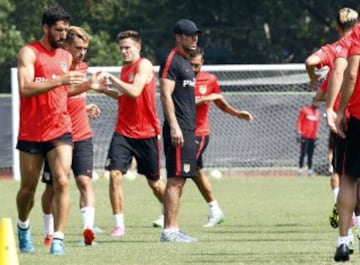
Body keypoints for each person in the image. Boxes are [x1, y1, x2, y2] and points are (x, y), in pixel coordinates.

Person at [15, 6, 86, 255]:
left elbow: (64, 91)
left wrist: (88, 86)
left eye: (66, 30)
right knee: (28, 190)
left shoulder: (66, 56)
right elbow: (25, 88)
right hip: (32, 131)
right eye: (58, 30)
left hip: (60, 128)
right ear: (46, 28)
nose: (63, 34)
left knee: (63, 181)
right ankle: (23, 227)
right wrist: (61, 81)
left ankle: (58, 238)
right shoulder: (29, 52)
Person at [97, 30, 165, 236]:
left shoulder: (143, 65)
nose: (124, 51)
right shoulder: (125, 69)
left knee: (154, 182)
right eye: (121, 48)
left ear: (138, 47)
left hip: (146, 132)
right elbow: (122, 96)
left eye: (127, 47)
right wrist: (102, 90)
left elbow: (135, 92)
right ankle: (119, 225)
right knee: (115, 174)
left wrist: (111, 78)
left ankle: (170, 210)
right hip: (123, 131)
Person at [41, 26, 102, 247]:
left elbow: (74, 99)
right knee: (52, 186)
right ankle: (49, 231)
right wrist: (87, 86)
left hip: (82, 134)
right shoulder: (57, 68)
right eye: (78, 48)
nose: (82, 52)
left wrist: (85, 109)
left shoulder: (84, 67)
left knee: (85, 181)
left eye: (85, 48)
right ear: (66, 46)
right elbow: (58, 96)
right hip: (58, 137)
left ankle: (88, 231)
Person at [305, 9, 358, 234]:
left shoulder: (336, 49)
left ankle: (341, 209)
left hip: (341, 119)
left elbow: (311, 62)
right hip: (353, 115)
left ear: (337, 27)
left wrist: (313, 79)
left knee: (342, 172)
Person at [188, 47, 253, 227]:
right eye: (190, 65)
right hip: (181, 131)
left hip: (199, 133)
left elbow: (220, 102)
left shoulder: (209, 79)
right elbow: (184, 104)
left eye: (197, 65)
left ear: (202, 63)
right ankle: (216, 211)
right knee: (195, 173)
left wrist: (236, 113)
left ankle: (166, 214)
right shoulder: (180, 78)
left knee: (181, 172)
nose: (193, 69)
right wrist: (207, 97)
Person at [158, 19, 200, 243]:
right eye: (189, 35)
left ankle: (174, 228)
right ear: (178, 37)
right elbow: (165, 94)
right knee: (175, 179)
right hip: (179, 128)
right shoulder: (172, 60)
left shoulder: (186, 62)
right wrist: (174, 125)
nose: (194, 38)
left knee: (181, 179)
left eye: (196, 35)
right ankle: (169, 231)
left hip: (188, 128)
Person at [333, 18, 360, 262]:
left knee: (349, 178)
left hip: (359, 116)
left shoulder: (358, 33)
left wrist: (341, 111)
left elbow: (350, 74)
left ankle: (343, 241)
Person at [295, 97, 321, 176]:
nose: (317, 104)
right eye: (316, 102)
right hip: (304, 135)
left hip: (312, 137)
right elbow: (299, 121)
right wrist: (299, 131)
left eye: (318, 102)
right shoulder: (305, 110)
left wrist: (317, 135)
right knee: (303, 153)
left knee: (311, 154)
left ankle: (310, 170)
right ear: (312, 101)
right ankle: (300, 169)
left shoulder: (317, 113)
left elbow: (317, 126)